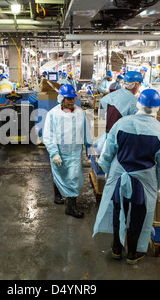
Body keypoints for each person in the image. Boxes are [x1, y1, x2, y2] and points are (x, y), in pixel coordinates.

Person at [92, 88, 160, 264]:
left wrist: (109, 171)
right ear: (157, 109)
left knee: (118, 210)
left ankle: (116, 248)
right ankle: (133, 253)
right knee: (138, 215)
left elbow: (108, 152)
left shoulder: (122, 124)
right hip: (143, 182)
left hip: (119, 177)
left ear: (137, 104)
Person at [43, 84, 93, 218]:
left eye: (73, 99)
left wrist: (89, 146)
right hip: (59, 151)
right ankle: (58, 195)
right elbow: (49, 134)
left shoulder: (79, 113)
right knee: (59, 172)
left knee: (73, 178)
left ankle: (71, 207)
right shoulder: (53, 114)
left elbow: (86, 131)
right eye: (68, 99)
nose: (71, 101)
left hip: (74, 152)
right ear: (61, 98)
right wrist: (53, 152)